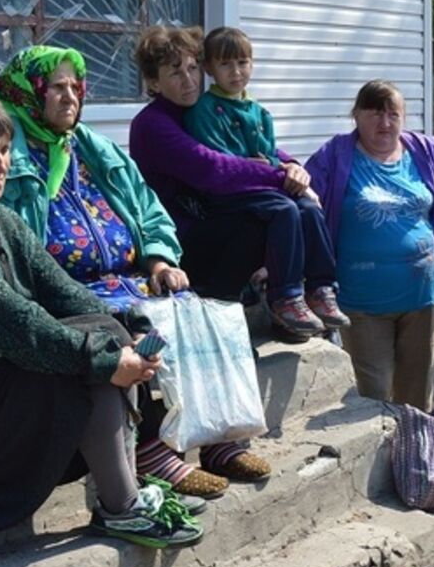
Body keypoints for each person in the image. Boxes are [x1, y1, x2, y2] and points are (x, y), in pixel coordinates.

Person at [0, 89, 201, 548]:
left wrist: (130, 328)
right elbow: (17, 323)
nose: (2, 164)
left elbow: (64, 293)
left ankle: (126, 491)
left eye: (5, 149)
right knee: (87, 360)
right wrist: (108, 358)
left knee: (104, 334)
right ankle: (121, 508)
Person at [0, 44, 266, 495]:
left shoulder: (93, 149)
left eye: (74, 87)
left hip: (131, 278)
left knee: (198, 312)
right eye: (55, 87)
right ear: (27, 92)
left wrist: (159, 257)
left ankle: (220, 433)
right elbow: (12, 243)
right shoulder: (10, 158)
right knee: (131, 332)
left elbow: (149, 210)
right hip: (70, 290)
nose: (70, 97)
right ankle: (150, 448)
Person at [128, 26, 337, 340]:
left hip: (218, 224)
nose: (189, 80)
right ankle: (256, 305)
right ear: (154, 82)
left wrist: (292, 166)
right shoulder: (154, 124)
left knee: (303, 208)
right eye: (175, 73)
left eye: (193, 68)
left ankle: (309, 296)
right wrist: (280, 176)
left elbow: (254, 146)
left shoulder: (197, 110)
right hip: (186, 242)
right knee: (275, 211)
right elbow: (214, 169)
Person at [305, 80, 434, 411]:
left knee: (416, 398)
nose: (384, 123)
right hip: (361, 300)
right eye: (374, 113)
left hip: (423, 297)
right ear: (356, 115)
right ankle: (380, 462)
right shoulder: (336, 155)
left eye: (393, 114)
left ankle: (412, 460)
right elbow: (304, 195)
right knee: (373, 398)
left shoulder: (424, 150)